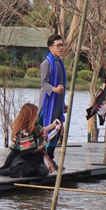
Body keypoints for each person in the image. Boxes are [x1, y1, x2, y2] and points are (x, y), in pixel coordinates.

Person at [0, 103, 60, 177]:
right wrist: (43, 145)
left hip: (31, 158)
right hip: (21, 159)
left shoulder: (34, 127)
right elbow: (31, 150)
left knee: (49, 167)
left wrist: (53, 125)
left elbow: (41, 130)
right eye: (35, 114)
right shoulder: (25, 132)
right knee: (43, 170)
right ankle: (7, 171)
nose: (37, 115)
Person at [38, 34, 66, 163]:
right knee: (44, 128)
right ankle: (41, 158)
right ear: (50, 48)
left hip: (57, 104)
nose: (61, 48)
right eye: (58, 45)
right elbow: (44, 83)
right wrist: (54, 89)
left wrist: (63, 103)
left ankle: (50, 158)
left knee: (57, 129)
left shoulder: (60, 63)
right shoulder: (46, 64)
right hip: (47, 103)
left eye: (62, 45)